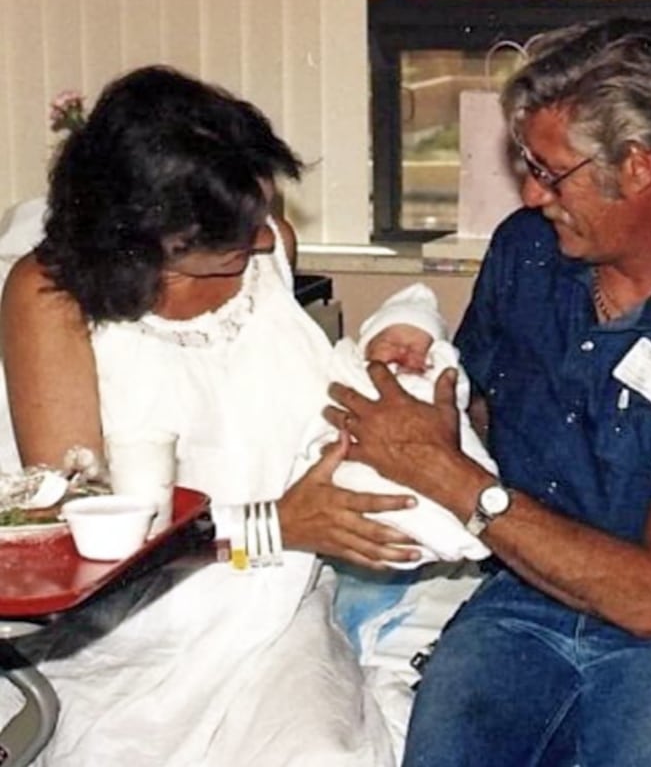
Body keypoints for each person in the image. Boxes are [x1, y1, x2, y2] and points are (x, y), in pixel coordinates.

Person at [325, 17, 651, 767]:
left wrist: (447, 474)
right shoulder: (529, 254)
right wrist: (428, 377)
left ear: (640, 166)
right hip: (525, 594)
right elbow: (482, 408)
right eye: (525, 162)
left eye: (549, 172)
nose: (530, 193)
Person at [0, 65, 419, 766]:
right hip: (137, 634)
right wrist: (274, 524)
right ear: (147, 245)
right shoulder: (51, 299)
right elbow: (87, 544)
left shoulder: (264, 241)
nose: (263, 244)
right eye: (233, 242)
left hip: (274, 605)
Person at [292, 282, 496, 568]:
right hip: (354, 456)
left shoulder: (433, 383)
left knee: (457, 494)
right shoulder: (350, 374)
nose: (404, 352)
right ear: (365, 348)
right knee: (347, 485)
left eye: (418, 349)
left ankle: (443, 533)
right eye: (391, 342)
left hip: (431, 459)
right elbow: (321, 411)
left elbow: (455, 401)